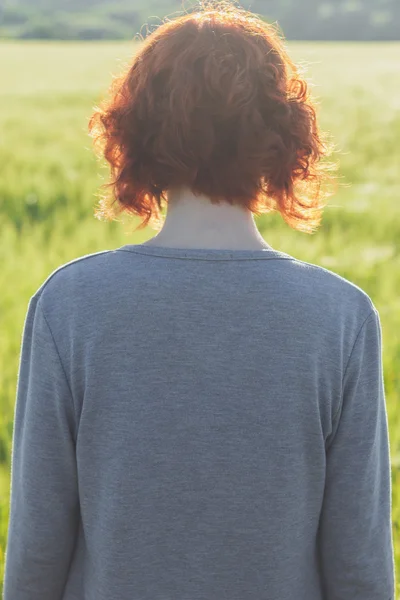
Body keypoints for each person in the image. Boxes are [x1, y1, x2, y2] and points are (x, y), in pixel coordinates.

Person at [3, 3, 395, 600]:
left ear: (132, 134)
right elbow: (359, 563)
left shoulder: (71, 304)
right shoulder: (339, 316)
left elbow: (37, 551)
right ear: (285, 138)